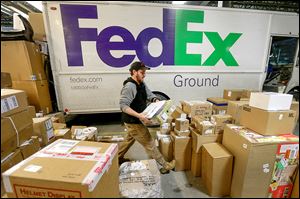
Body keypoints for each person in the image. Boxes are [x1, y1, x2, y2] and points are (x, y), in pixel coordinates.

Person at [119, 61, 175, 174]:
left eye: (145, 72)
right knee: (150, 143)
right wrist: (140, 116)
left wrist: (156, 100)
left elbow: (149, 94)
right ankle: (166, 165)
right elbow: (123, 106)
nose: (144, 74)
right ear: (134, 72)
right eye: (142, 72)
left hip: (135, 121)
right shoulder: (130, 86)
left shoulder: (141, 83)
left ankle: (116, 158)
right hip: (133, 122)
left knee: (128, 140)